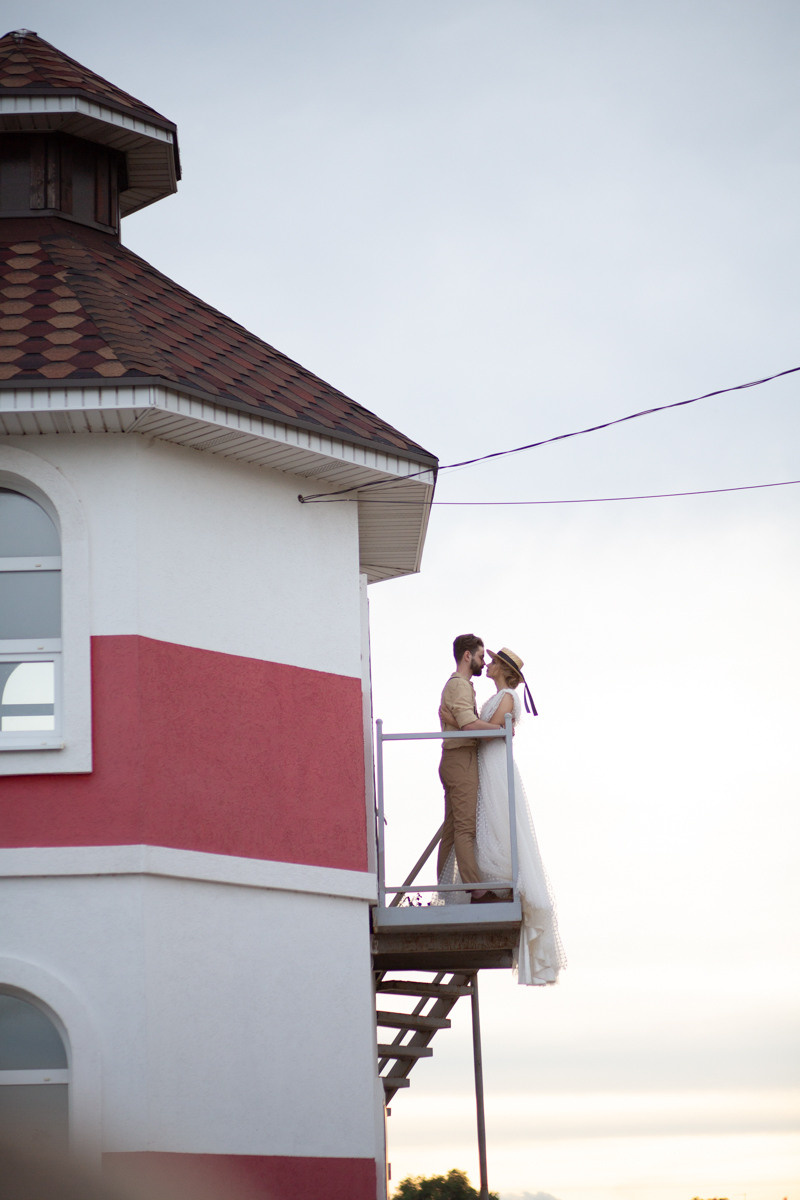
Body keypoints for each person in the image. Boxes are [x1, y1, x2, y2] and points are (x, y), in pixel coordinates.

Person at [476, 647, 566, 985]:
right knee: (490, 820)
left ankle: (500, 884)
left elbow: (492, 728)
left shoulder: (509, 696)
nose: (489, 664)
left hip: (497, 763)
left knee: (501, 819)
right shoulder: (499, 695)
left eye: (494, 662)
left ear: (503, 669)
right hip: (487, 762)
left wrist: (468, 722)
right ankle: (489, 884)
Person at [437, 634, 503, 901]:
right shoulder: (460, 686)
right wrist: (500, 730)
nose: (483, 661)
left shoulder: (457, 685)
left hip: (454, 759)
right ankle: (476, 891)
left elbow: (462, 722)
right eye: (480, 656)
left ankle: (444, 888)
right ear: (467, 656)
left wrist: (456, 720)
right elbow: (468, 725)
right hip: (460, 759)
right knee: (465, 828)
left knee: (453, 829)